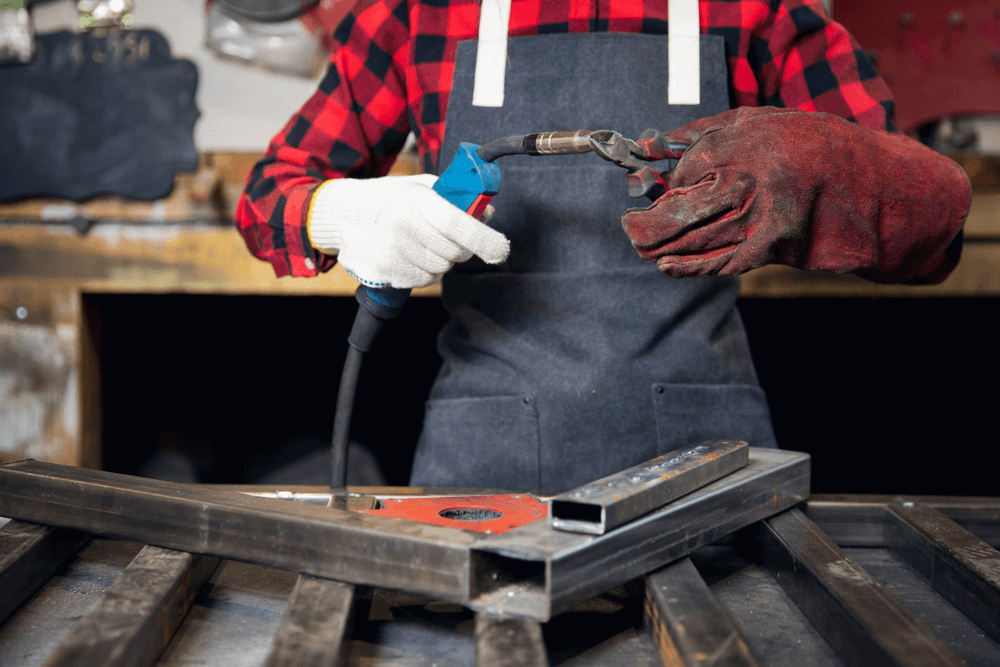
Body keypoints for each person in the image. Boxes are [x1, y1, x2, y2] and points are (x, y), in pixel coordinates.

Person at [235, 0, 971, 490]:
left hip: (705, 463)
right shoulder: (419, 13)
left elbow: (933, 238)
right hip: (485, 460)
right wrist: (341, 213)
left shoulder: (753, 10)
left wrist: (820, 163)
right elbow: (269, 195)